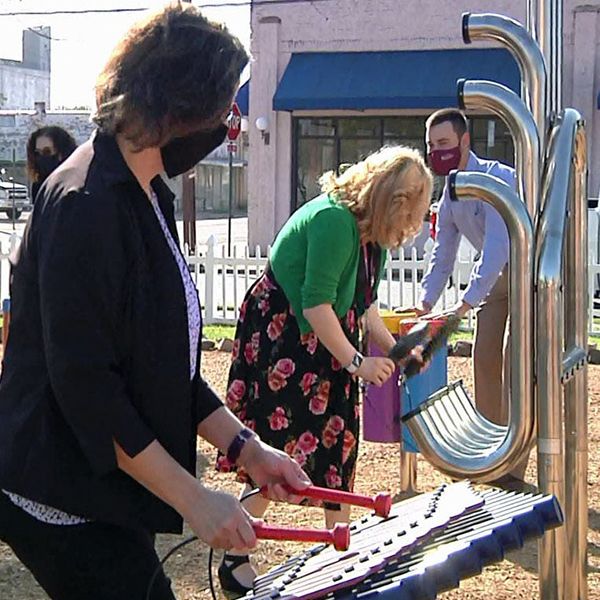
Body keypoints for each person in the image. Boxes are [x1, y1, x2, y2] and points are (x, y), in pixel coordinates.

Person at [0, 5, 310, 600]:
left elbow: (162, 364)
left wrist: (247, 448)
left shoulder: (144, 190)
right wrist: (195, 500)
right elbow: (88, 390)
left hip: (102, 486)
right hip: (58, 492)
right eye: (222, 110)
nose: (228, 125)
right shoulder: (86, 202)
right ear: (178, 107)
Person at [215, 146, 433, 594]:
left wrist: (396, 352)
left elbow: (365, 301)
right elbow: (316, 303)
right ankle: (235, 558)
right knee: (275, 451)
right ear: (391, 202)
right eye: (410, 213)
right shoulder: (335, 221)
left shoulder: (370, 234)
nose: (409, 228)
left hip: (324, 339)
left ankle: (343, 557)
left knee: (338, 446)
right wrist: (357, 362)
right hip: (288, 338)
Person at [417, 108, 526, 486]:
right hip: (495, 284)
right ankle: (492, 454)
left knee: (518, 365)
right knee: (483, 359)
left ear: (464, 141)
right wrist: (426, 301)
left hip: (528, 278)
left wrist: (465, 303)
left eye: (444, 143)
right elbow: (442, 251)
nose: (437, 152)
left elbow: (497, 247)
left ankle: (515, 466)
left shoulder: (498, 179)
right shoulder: (450, 191)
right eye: (432, 145)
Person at [26, 125, 78, 202]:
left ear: (62, 153)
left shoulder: (76, 185)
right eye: (37, 153)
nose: (41, 157)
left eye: (47, 152)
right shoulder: (38, 185)